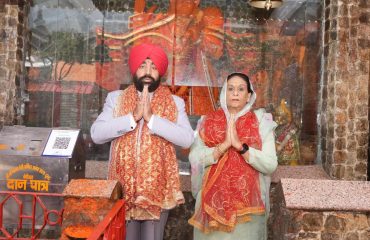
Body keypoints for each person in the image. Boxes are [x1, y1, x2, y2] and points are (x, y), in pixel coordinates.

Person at [90, 43, 194, 240]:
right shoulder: (116, 99)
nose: (148, 72)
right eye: (143, 65)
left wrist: (152, 119)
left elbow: (187, 139)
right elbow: (97, 134)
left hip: (158, 193)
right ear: (134, 69)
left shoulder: (175, 102)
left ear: (160, 72)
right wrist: (132, 117)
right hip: (122, 191)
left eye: (154, 67)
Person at [188, 72, 278, 240]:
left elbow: (270, 164)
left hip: (249, 211)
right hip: (210, 210)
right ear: (224, 93)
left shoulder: (261, 122)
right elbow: (194, 158)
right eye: (231, 89)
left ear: (249, 95)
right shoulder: (207, 121)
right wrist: (222, 147)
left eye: (241, 89)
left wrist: (241, 147)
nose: (235, 93)